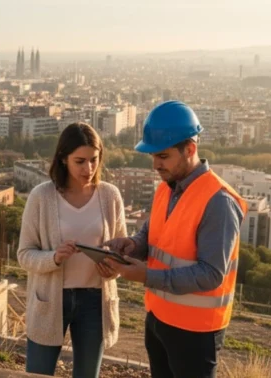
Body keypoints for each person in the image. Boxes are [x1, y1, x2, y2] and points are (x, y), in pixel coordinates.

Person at [103, 101, 247, 378]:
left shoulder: (218, 201)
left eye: (163, 156)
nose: (156, 164)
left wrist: (147, 275)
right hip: (159, 317)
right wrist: (133, 245)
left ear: (190, 150)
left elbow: (210, 274)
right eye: (153, 156)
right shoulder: (167, 188)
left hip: (195, 332)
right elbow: (153, 234)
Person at [17, 123, 126, 378]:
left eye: (94, 160)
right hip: (50, 300)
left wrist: (112, 269)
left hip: (95, 301)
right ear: (63, 159)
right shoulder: (41, 197)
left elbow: (123, 251)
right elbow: (24, 255)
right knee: (38, 375)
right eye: (80, 161)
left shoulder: (110, 196)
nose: (88, 169)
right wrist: (54, 257)